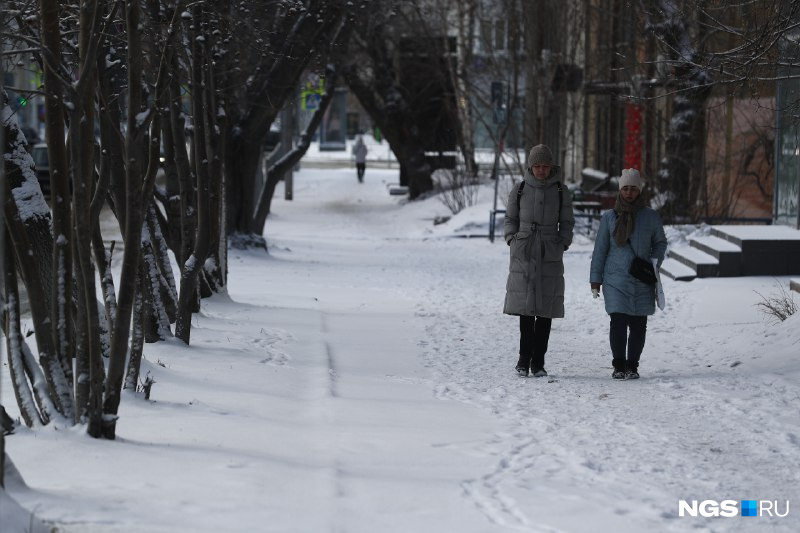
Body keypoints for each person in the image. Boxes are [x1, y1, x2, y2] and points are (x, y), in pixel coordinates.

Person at [504, 144, 575, 377]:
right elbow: (510, 218)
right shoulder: (520, 189)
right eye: (537, 166)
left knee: (545, 311)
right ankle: (523, 359)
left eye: (545, 166)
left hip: (549, 252)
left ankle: (539, 362)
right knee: (526, 310)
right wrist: (511, 239)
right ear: (531, 167)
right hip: (524, 251)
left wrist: (563, 242)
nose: (541, 170)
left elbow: (567, 222)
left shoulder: (561, 191)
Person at [589, 168, 667, 380]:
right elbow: (600, 250)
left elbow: (660, 242)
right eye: (626, 188)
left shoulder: (650, 217)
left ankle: (632, 365)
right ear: (620, 190)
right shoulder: (609, 218)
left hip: (642, 278)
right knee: (618, 321)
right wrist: (595, 279)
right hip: (615, 279)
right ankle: (618, 365)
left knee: (639, 325)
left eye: (633, 188)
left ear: (639, 191)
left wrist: (654, 261)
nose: (629, 193)